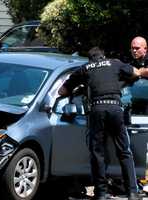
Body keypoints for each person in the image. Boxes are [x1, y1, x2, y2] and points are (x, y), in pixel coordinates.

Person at [58, 47, 145, 200]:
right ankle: (132, 192)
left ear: (90, 59)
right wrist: (121, 81)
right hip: (116, 109)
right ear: (103, 56)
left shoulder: (84, 68)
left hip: (97, 109)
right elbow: (137, 73)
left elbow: (62, 92)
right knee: (124, 151)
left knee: (98, 153)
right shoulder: (115, 63)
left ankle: (101, 193)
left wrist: (83, 88)